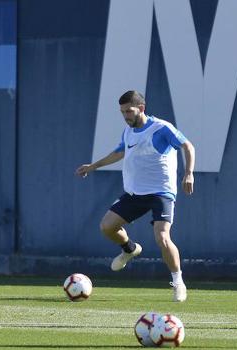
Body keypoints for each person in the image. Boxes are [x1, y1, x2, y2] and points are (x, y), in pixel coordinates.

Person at [75, 90, 195, 302]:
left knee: (162, 237)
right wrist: (93, 166)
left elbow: (188, 146)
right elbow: (119, 153)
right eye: (122, 112)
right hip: (135, 193)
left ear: (141, 108)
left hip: (161, 192)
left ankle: (178, 281)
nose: (125, 116)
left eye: (129, 111)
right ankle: (129, 249)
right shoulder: (128, 132)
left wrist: (188, 173)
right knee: (107, 227)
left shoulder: (161, 128)